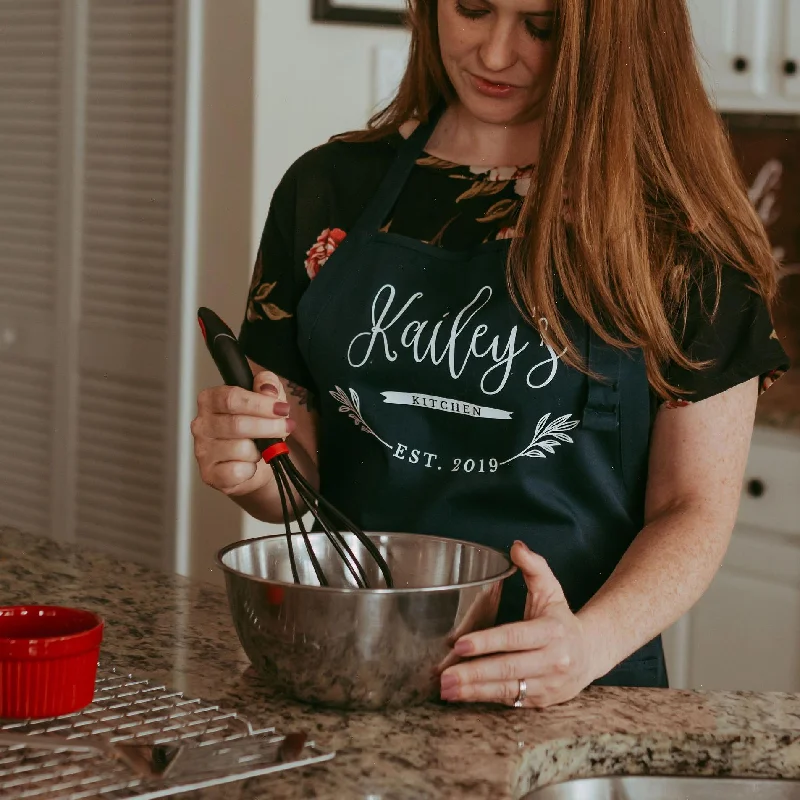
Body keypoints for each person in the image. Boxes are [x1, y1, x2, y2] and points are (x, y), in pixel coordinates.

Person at [191, 0, 789, 707]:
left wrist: (586, 644)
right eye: (472, 9)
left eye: (542, 27)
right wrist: (249, 468)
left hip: (571, 693)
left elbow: (693, 507)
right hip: (351, 670)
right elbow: (300, 467)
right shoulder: (327, 191)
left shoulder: (677, 236)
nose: (496, 54)